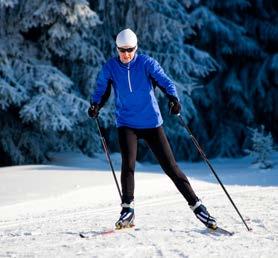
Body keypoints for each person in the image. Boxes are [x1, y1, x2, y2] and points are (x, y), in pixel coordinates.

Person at [88, 28, 217, 230]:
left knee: (171, 167)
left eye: (129, 50)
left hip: (151, 123)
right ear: (117, 49)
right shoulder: (111, 67)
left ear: (136, 48)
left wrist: (174, 99)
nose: (126, 54)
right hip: (126, 123)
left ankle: (197, 206)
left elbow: (165, 81)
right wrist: (95, 105)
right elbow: (101, 89)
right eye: (122, 50)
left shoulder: (146, 63)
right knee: (128, 164)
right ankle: (127, 209)